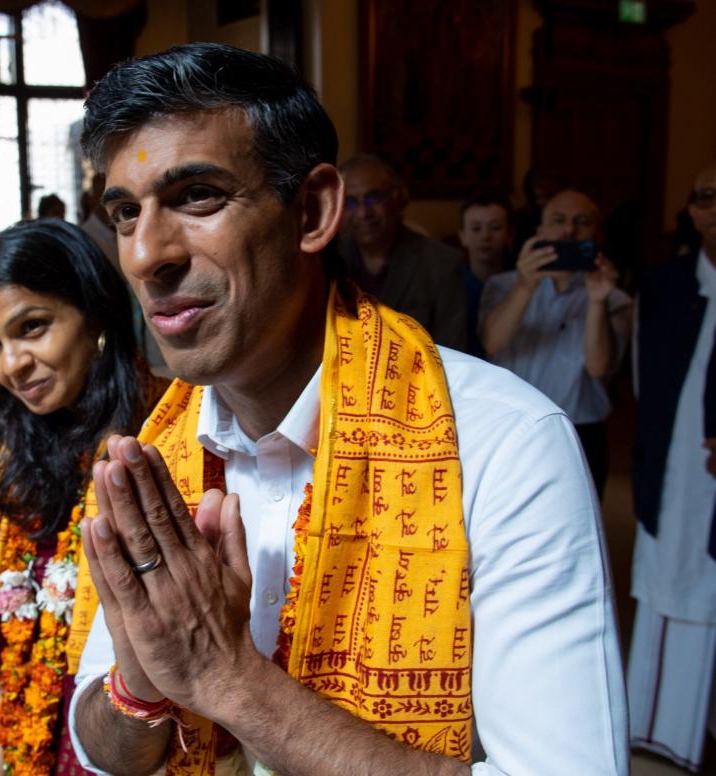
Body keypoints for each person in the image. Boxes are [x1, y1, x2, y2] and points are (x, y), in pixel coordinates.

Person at [68, 43, 626, 775]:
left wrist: (226, 680)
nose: (146, 255)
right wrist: (144, 681)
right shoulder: (155, 451)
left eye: (196, 197)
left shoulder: (502, 444)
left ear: (311, 210)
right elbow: (100, 748)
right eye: (124, 213)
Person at [0, 218, 157, 775]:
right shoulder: (19, 464)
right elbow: (7, 649)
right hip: (30, 739)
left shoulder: (161, 441)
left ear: (96, 314)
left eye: (32, 327)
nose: (10, 365)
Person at [627, 163, 716, 770]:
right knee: (678, 572)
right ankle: (665, 731)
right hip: (678, 465)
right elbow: (641, 385)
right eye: (706, 196)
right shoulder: (665, 284)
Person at [479, 189, 631, 496]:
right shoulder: (504, 285)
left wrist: (597, 302)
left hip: (580, 432)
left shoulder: (614, 297)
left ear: (597, 235)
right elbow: (492, 344)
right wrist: (525, 287)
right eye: (558, 220)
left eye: (582, 222)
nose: (569, 230)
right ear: (540, 231)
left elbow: (599, 367)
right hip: (509, 429)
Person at [337, 153, 467, 350]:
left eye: (373, 198)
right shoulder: (325, 259)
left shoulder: (443, 264)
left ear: (398, 198)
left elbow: (454, 352)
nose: (363, 213)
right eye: (351, 202)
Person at [456, 194, 513, 357]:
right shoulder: (451, 287)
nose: (485, 236)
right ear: (462, 236)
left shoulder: (522, 286)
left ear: (509, 235)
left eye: (495, 228)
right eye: (476, 229)